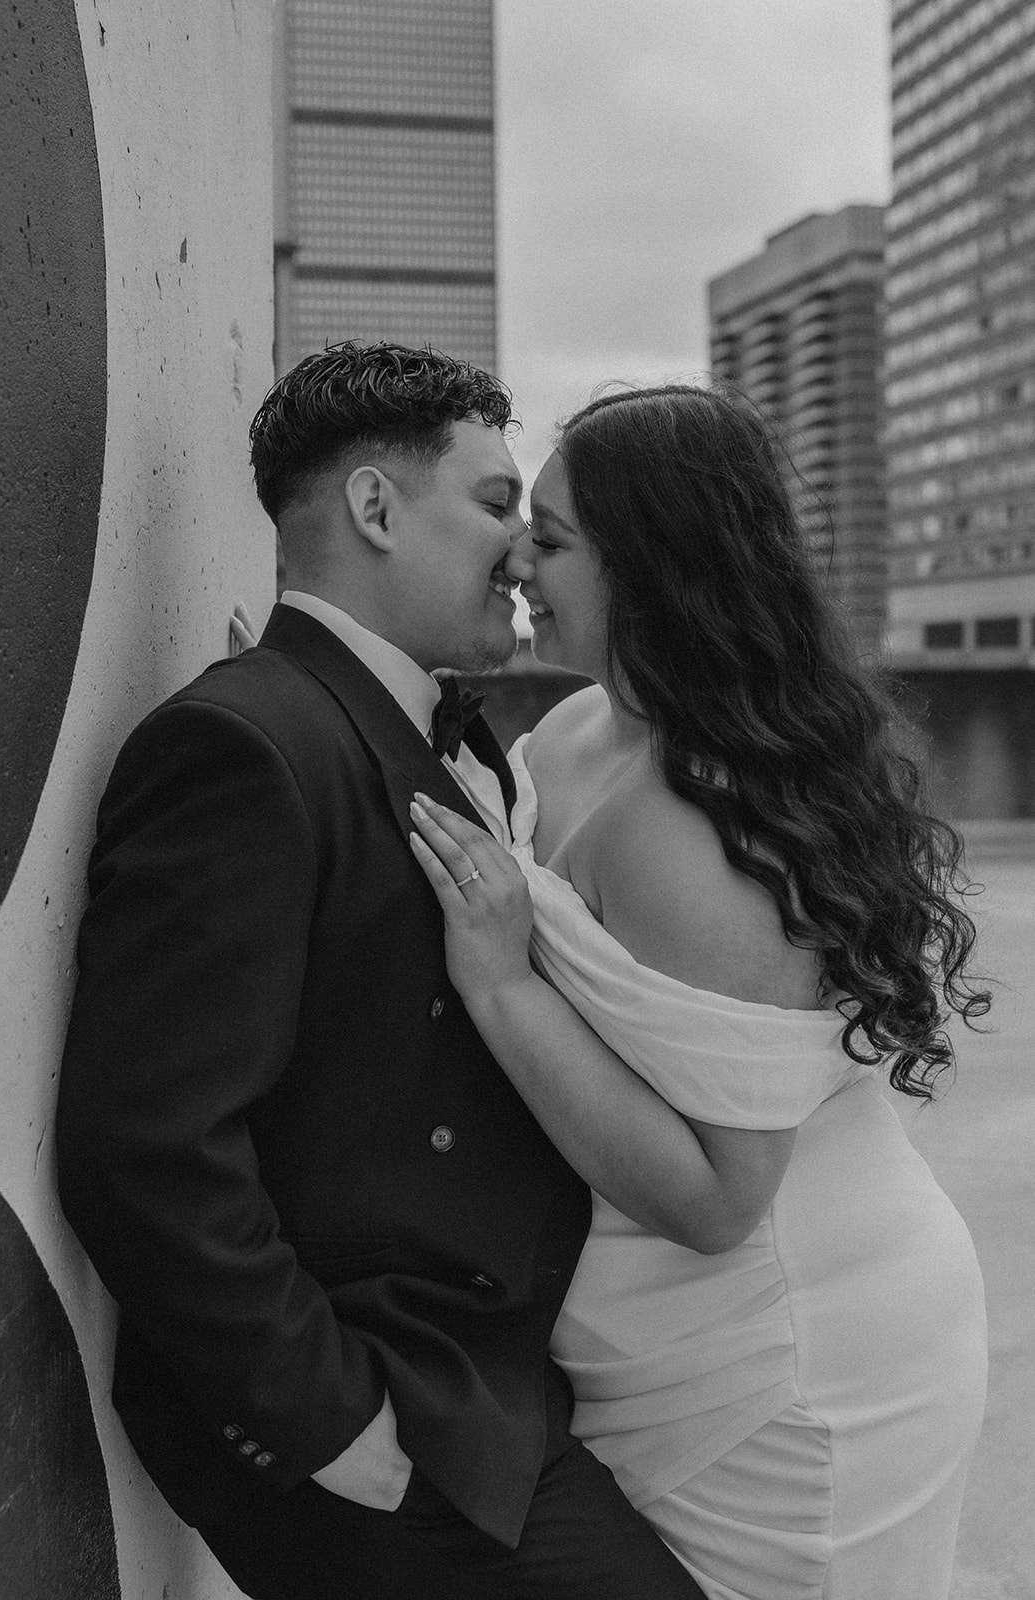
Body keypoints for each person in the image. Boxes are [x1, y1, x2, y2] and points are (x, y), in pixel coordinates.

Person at [54, 344, 704, 1600]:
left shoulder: (444, 736)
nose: (521, 552)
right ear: (372, 508)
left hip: (488, 1390)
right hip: (384, 1416)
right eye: (496, 504)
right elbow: (142, 1143)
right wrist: (333, 1428)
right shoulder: (243, 742)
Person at [406, 383, 990, 1600]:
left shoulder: (689, 831)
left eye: (554, 539)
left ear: (652, 569)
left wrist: (505, 989)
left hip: (789, 1353)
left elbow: (724, 1196)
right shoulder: (577, 727)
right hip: (656, 1331)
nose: (518, 555)